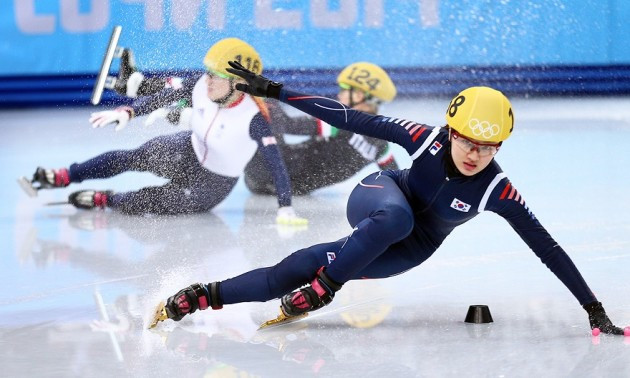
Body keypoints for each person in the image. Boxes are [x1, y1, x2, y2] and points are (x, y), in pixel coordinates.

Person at [151, 61, 625, 335]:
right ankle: (325, 289)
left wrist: (594, 310)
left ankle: (201, 296)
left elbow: (548, 249)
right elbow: (347, 116)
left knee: (299, 265)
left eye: (488, 147)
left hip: (410, 247)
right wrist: (275, 91)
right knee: (393, 220)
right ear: (451, 131)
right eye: (466, 141)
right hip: (381, 196)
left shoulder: (496, 190)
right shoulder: (425, 137)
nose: (475, 154)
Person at [22, 39, 305, 223]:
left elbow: (276, 164)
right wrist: (129, 111)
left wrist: (285, 208)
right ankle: (64, 176)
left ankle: (105, 199)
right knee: (130, 157)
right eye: (206, 72)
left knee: (151, 201)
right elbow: (163, 97)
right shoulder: (202, 85)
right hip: (187, 150)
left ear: (238, 84)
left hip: (213, 184)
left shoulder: (255, 119)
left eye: (215, 76)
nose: (206, 80)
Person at [105, 53, 400, 195]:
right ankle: (169, 102)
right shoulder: (380, 138)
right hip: (277, 181)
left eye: (345, 89)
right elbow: (394, 173)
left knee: (253, 97)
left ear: (361, 94)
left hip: (271, 174)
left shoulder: (347, 122)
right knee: (251, 104)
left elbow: (291, 127)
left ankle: (140, 87)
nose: (339, 94)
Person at [243, 62, 399, 195]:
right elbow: (396, 179)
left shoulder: (342, 122)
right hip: (292, 189)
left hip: (264, 175)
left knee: (268, 105)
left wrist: (265, 94)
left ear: (358, 95)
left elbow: (286, 124)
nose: (339, 95)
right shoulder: (381, 144)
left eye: (344, 88)